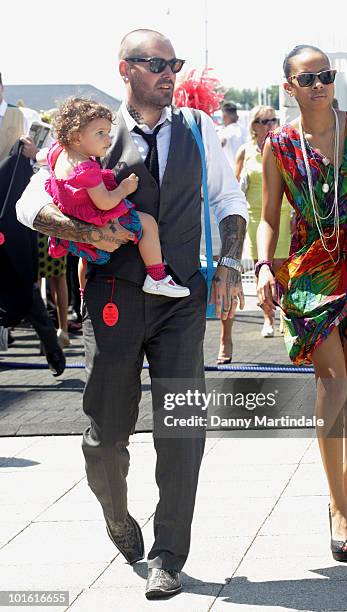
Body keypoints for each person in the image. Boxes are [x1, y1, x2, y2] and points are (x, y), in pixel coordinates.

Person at [16, 28, 247, 599]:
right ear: (126, 70)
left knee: (182, 429)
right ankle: (117, 516)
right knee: (106, 433)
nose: (168, 72)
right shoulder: (89, 131)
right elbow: (29, 204)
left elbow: (228, 200)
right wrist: (83, 228)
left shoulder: (197, 127)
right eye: (155, 63)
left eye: (174, 63)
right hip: (114, 296)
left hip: (182, 297)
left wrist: (230, 264)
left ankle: (170, 553)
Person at [256, 45, 347, 562]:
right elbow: (269, 215)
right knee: (333, 383)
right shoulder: (279, 145)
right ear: (289, 86)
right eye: (307, 78)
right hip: (312, 268)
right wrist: (262, 265)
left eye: (326, 75)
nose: (318, 84)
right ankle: (338, 507)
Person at [45, 97, 189, 299]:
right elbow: (104, 202)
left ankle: (84, 292)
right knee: (148, 224)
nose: (108, 140)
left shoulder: (58, 152)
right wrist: (124, 188)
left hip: (74, 227)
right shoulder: (86, 168)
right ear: (77, 138)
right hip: (98, 219)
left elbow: (44, 160)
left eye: (108, 132)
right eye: (100, 134)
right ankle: (156, 277)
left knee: (84, 261)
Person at [0, 72, 65, 375]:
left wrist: (32, 154)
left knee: (26, 282)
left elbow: (50, 155)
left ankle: (52, 348)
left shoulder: (23, 116)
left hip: (15, 216)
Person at [217, 106, 289, 363]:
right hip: (257, 218)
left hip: (284, 215)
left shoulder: (284, 146)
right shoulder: (245, 151)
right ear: (254, 125)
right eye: (265, 120)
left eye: (274, 119)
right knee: (261, 271)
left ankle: (281, 316)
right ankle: (267, 318)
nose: (270, 124)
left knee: (283, 272)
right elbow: (233, 188)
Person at [219, 101, 246, 170]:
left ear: (224, 117)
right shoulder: (245, 130)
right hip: (245, 172)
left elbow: (220, 144)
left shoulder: (224, 132)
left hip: (231, 174)